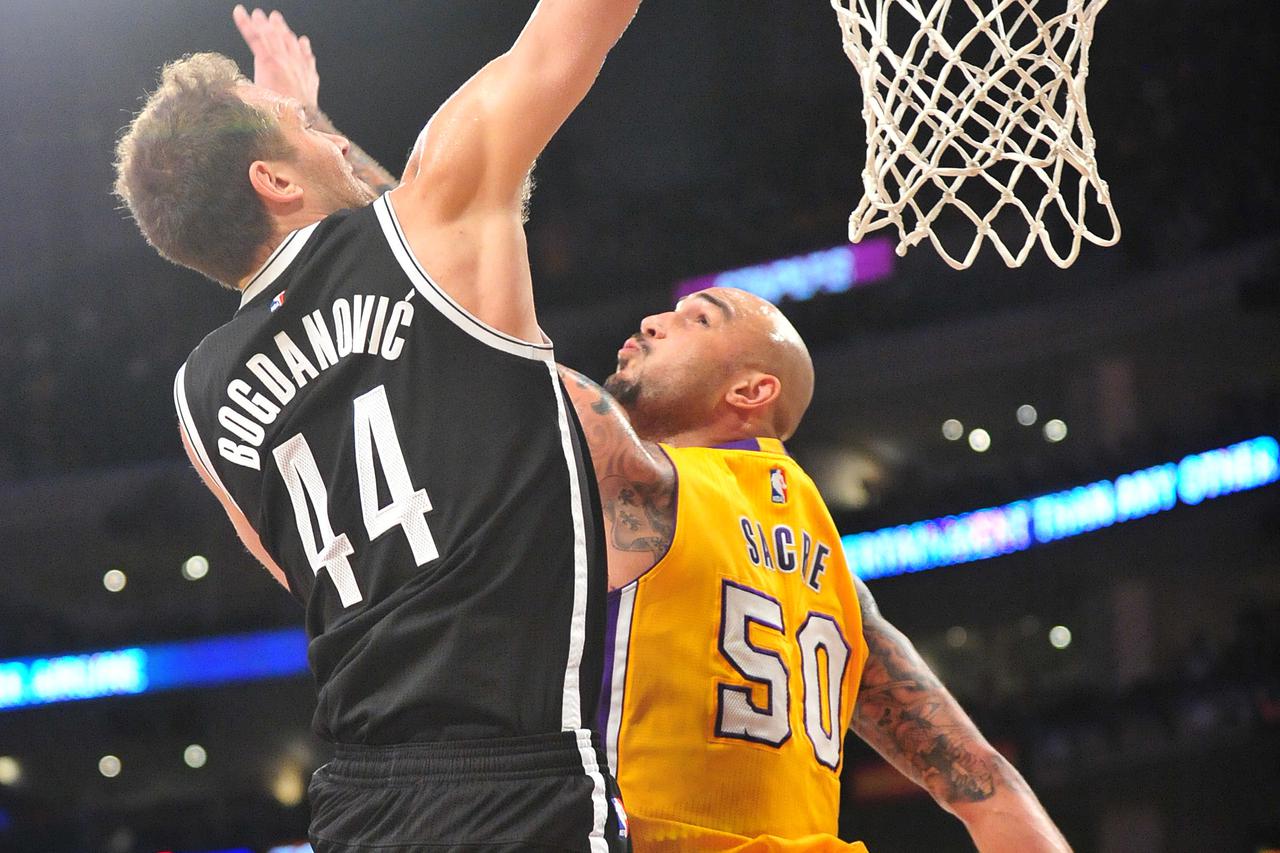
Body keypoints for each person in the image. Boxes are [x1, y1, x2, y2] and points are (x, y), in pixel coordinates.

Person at [113, 3, 642, 850]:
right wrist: (299, 119)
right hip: (514, 779)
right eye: (308, 133)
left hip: (358, 804)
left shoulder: (196, 398)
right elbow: (566, 37)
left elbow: (299, 570)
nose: (329, 138)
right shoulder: (431, 215)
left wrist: (291, 118)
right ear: (274, 182)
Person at [557, 287, 1072, 852]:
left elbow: (499, 342)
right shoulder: (838, 588)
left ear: (751, 391)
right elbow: (983, 781)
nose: (652, 321)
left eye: (698, 319)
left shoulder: (644, 478)